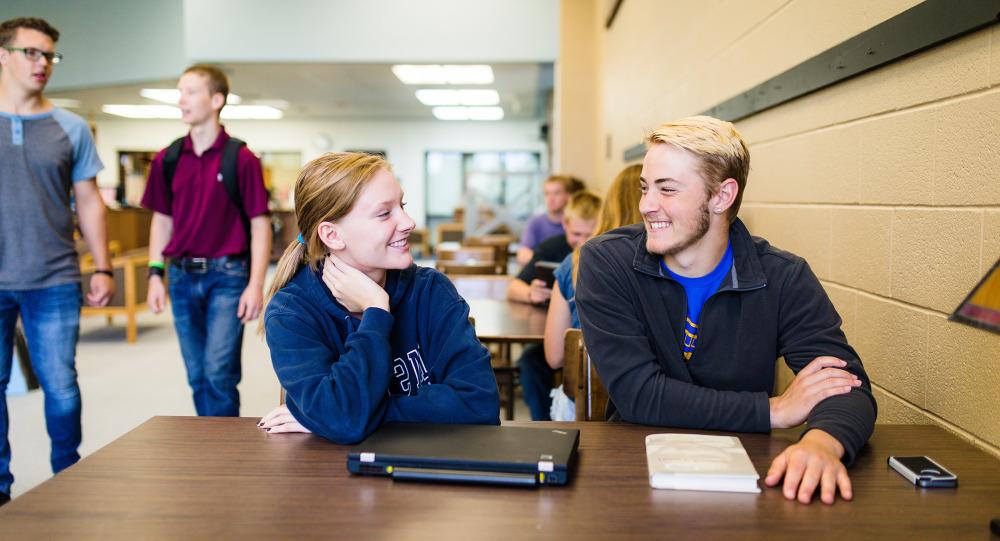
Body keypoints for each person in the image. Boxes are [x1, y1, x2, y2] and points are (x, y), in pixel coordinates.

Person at [576, 116, 876, 505]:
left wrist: (822, 444)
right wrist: (773, 411)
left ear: (722, 196)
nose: (647, 206)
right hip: (635, 472)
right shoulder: (607, 261)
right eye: (645, 188)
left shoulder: (783, 277)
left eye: (667, 190)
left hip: (749, 479)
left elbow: (847, 387)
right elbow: (639, 395)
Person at [257, 152, 500, 443]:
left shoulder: (431, 290)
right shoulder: (291, 312)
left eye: (402, 205)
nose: (409, 221)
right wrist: (376, 312)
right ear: (332, 236)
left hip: (429, 472)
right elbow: (344, 420)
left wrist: (339, 415)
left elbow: (480, 405)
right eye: (385, 213)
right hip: (331, 481)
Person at [0, 17, 114, 506]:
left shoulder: (70, 127)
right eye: (31, 53)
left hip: (54, 276)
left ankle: (66, 477)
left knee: (61, 386)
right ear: (3, 55)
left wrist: (104, 266)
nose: (42, 63)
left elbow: (88, 201)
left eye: (49, 55)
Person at [141, 64, 271, 417]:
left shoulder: (241, 158)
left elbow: (260, 225)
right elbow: (161, 220)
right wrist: (155, 274)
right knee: (197, 376)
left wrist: (255, 285)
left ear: (216, 100)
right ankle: (209, 445)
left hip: (227, 277)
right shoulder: (166, 159)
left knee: (218, 374)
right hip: (181, 277)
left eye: (190, 91)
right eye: (180, 91)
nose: (181, 99)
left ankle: (225, 459)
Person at [509, 191, 601, 421]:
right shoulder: (552, 247)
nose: (582, 242)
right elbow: (513, 287)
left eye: (589, 235)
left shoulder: (604, 251)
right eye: (576, 234)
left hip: (593, 340)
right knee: (530, 362)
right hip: (553, 335)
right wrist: (531, 293)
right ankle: (542, 424)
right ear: (565, 225)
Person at [543, 164, 643, 374]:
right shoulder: (680, 262)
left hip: (585, 393)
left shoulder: (578, 260)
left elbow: (555, 357)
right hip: (659, 395)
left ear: (609, 205)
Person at [515, 175, 584, 266]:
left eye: (556, 193)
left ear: (569, 196)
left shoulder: (578, 223)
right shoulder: (536, 222)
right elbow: (522, 255)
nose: (550, 199)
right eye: (547, 193)